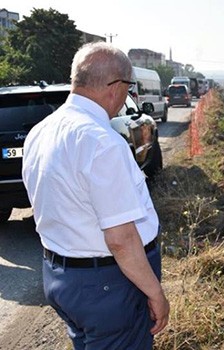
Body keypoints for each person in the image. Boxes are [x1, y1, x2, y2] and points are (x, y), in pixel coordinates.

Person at [22, 42, 169, 349]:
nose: (126, 97)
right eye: (128, 89)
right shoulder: (102, 142)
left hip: (62, 278)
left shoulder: (40, 132)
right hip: (108, 286)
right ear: (115, 87)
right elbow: (120, 238)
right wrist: (155, 292)